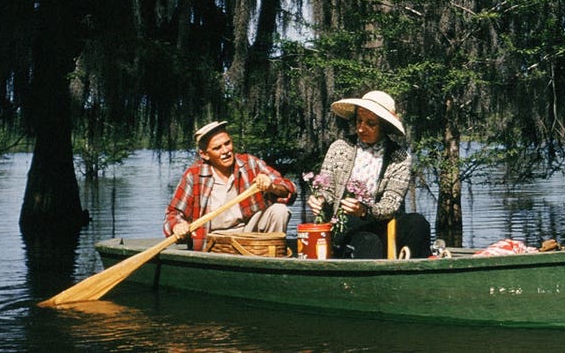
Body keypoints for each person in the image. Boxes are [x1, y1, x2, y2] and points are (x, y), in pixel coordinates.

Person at [306, 90, 432, 259]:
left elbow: (391, 204)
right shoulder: (340, 148)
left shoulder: (399, 157)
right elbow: (327, 190)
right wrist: (320, 200)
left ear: (384, 126)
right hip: (344, 223)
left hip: (382, 221)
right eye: (359, 121)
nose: (361, 128)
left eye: (370, 123)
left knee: (418, 223)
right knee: (368, 241)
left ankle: (414, 273)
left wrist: (365, 211)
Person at [164, 120, 296, 250]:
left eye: (227, 143)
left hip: (249, 235)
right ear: (204, 154)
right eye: (217, 148)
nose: (226, 151)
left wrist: (272, 186)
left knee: (280, 210)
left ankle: (269, 255)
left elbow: (290, 189)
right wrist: (178, 225)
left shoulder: (249, 163)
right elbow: (173, 213)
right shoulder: (194, 175)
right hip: (213, 240)